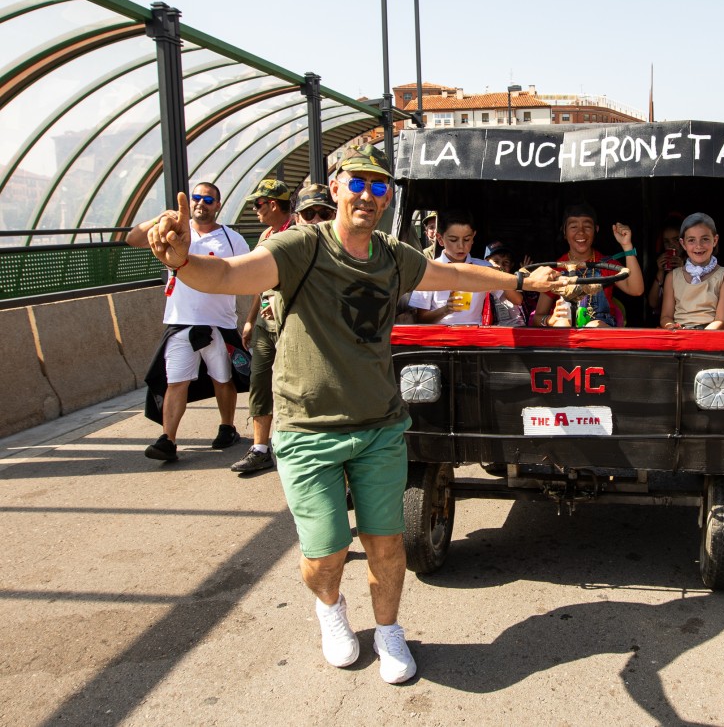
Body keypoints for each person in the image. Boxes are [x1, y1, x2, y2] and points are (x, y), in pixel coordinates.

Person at [142, 143, 562, 681]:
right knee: (326, 553)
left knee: (387, 545)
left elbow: (451, 275)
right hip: (307, 430)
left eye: (379, 186)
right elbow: (227, 276)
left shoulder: (391, 255)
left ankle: (389, 631)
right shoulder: (301, 247)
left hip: (380, 426)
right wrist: (180, 260)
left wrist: (520, 282)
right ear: (336, 188)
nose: (367, 194)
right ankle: (330, 610)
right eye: (356, 183)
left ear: (388, 199)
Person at [126, 183, 250, 462]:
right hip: (181, 322)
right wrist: (159, 219)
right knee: (176, 381)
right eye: (197, 197)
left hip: (218, 321)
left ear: (218, 205)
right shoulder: (174, 231)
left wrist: (249, 318)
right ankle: (168, 439)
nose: (201, 203)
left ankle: (227, 427)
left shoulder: (231, 239)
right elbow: (132, 239)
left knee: (223, 378)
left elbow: (248, 272)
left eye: (208, 199)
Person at [231, 183, 335, 474]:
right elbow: (257, 281)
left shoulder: (339, 245)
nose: (315, 219)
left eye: (323, 212)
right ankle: (261, 447)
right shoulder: (270, 237)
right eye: (309, 213)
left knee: (313, 386)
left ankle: (329, 458)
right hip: (269, 323)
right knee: (260, 379)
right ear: (299, 214)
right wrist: (251, 318)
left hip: (305, 325)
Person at [535, 204, 645, 327]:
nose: (581, 232)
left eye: (587, 226)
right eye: (574, 227)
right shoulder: (555, 269)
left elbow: (636, 290)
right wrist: (550, 320)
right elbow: (537, 317)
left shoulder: (607, 264)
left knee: (594, 326)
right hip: (565, 332)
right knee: (562, 324)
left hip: (600, 329)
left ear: (596, 230)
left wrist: (627, 246)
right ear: (564, 232)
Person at [409, 210, 493, 324]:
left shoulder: (484, 268)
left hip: (474, 337)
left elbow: (516, 299)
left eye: (466, 239)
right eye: (453, 240)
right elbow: (421, 318)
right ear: (440, 239)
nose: (461, 246)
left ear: (473, 237)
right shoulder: (428, 270)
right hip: (440, 338)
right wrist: (445, 309)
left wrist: (501, 274)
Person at [659, 212, 724, 330]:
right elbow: (666, 317)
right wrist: (672, 327)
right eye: (691, 240)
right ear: (683, 244)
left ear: (715, 240)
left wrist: (698, 338)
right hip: (679, 337)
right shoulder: (672, 277)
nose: (698, 246)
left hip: (711, 338)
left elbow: (721, 320)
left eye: (705, 239)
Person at [646, 216, 685, 320]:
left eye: (676, 240)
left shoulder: (694, 263)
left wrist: (683, 270)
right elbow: (652, 303)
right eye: (667, 242)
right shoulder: (659, 264)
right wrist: (660, 271)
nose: (671, 245)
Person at [483, 240, 527, 327]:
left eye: (505, 262)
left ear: (511, 265)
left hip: (519, 328)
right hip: (493, 331)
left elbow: (518, 300)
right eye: (496, 261)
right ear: (486, 262)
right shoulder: (482, 285)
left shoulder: (513, 282)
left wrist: (502, 278)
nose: (500, 266)